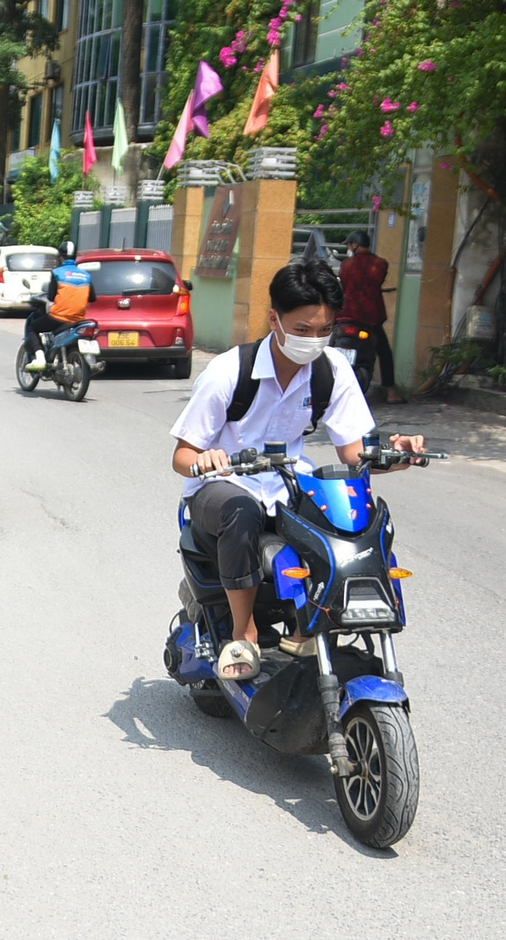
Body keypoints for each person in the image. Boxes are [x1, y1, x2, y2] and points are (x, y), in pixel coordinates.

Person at [170, 261, 426, 681]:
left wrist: (396, 453)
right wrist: (208, 461)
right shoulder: (229, 371)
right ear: (275, 319)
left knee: (345, 511)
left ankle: (307, 629)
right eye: (303, 330)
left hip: (288, 485)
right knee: (242, 510)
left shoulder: (332, 370)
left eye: (324, 330)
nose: (313, 340)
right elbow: (183, 454)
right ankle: (243, 634)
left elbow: (354, 452)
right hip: (222, 488)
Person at [341, 231, 401, 403]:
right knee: (384, 352)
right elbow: (376, 282)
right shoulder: (380, 264)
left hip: (348, 315)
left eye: (349, 245)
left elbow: (344, 286)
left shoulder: (347, 265)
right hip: (371, 317)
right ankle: (391, 392)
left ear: (354, 245)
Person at [23, 242, 89, 372]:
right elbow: (92, 297)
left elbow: (52, 297)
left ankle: (40, 358)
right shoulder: (86, 275)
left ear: (61, 257)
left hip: (59, 317)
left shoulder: (57, 273)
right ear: (75, 257)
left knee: (33, 327)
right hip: (79, 319)